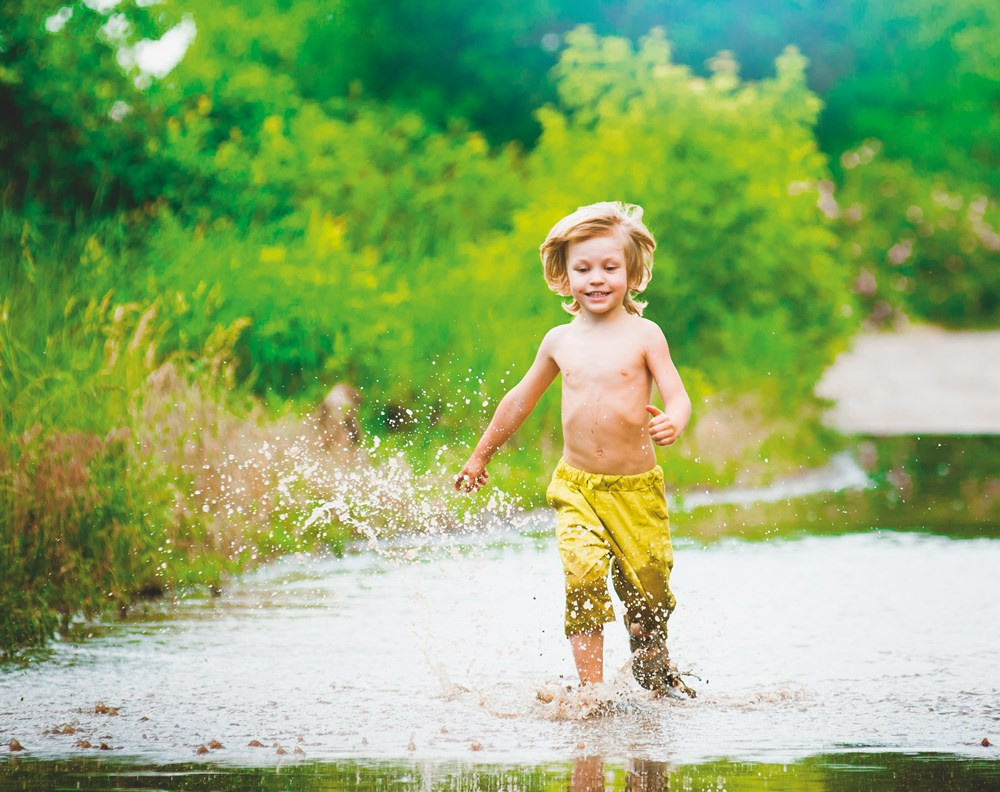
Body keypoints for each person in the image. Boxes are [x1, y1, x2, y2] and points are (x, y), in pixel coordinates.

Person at [455, 201, 695, 697]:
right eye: (583, 269)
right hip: (577, 487)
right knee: (582, 577)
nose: (596, 279)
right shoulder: (558, 341)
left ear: (631, 273)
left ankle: (651, 656)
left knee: (650, 591)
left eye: (609, 267)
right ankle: (592, 692)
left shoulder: (645, 335)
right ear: (564, 276)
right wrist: (480, 456)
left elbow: (678, 395)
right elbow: (519, 401)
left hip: (636, 492)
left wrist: (674, 420)